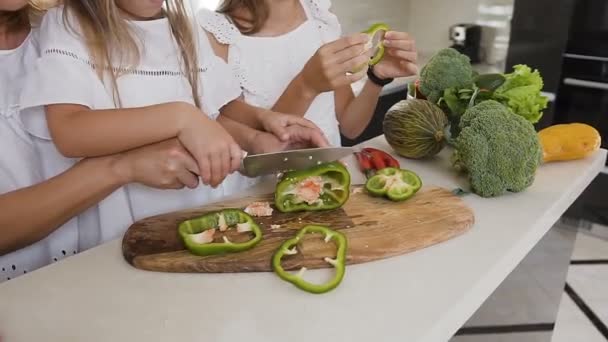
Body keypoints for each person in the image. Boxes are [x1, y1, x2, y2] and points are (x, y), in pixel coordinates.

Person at [0, 0, 326, 282]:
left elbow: (214, 111)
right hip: (124, 245)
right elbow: (70, 133)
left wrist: (259, 131)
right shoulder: (68, 25)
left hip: (205, 226)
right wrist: (180, 118)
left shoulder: (182, 28)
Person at [200, 0, 419, 148]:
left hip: (329, 184)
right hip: (262, 198)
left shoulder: (319, 16)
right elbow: (257, 150)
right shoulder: (217, 35)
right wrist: (306, 85)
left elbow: (350, 127)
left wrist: (377, 77)